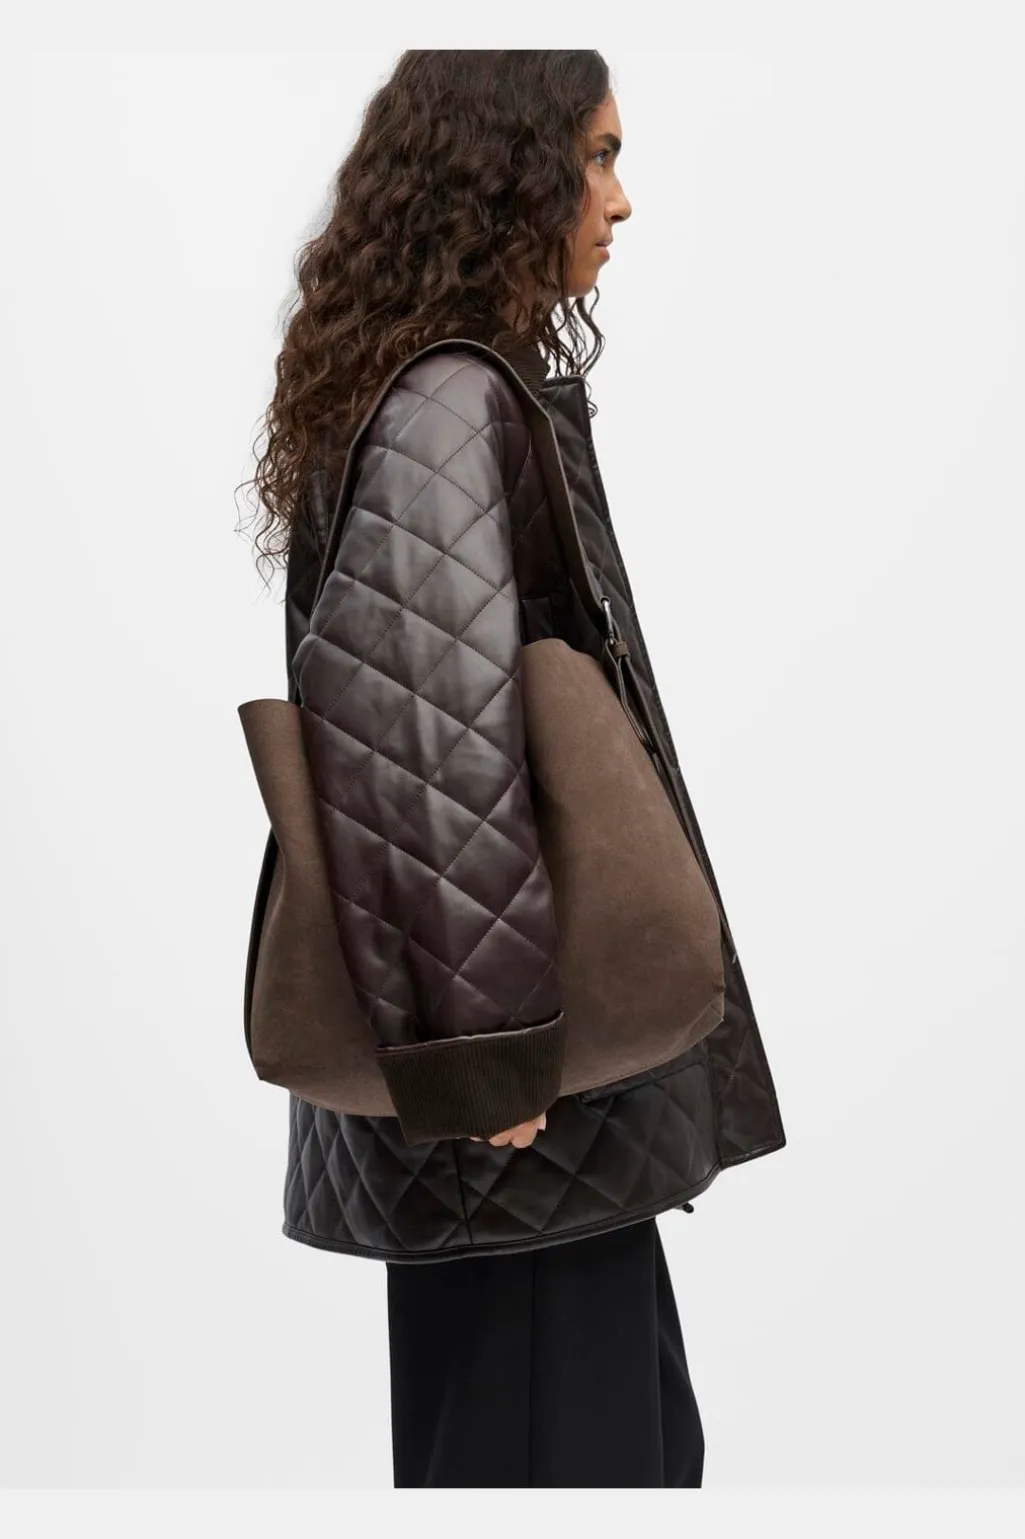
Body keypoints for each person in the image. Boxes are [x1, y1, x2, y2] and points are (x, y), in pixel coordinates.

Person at [246, 49, 786, 1488]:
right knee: (569, 1464)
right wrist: (484, 1058)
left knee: (608, 1450)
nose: (621, 199)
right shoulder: (444, 399)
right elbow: (424, 745)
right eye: (596, 158)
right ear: (508, 176)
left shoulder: (438, 386)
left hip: (526, 1091)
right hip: (515, 1105)